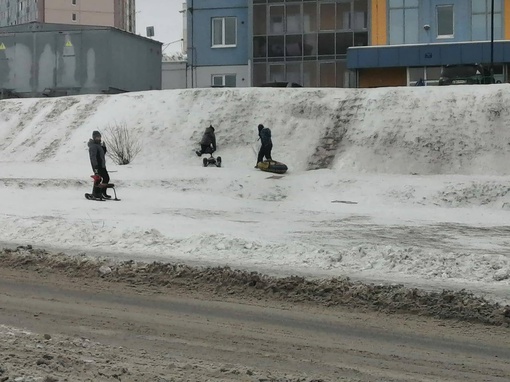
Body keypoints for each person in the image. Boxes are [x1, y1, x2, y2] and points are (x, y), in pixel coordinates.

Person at [88, 130, 111, 199]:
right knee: (100, 178)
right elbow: (93, 157)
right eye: (97, 137)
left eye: (99, 137)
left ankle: (100, 193)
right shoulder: (93, 146)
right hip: (98, 166)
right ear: (94, 138)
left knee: (104, 178)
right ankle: (97, 193)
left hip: (102, 165)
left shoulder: (98, 145)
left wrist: (104, 149)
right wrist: (95, 166)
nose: (99, 139)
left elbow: (101, 155)